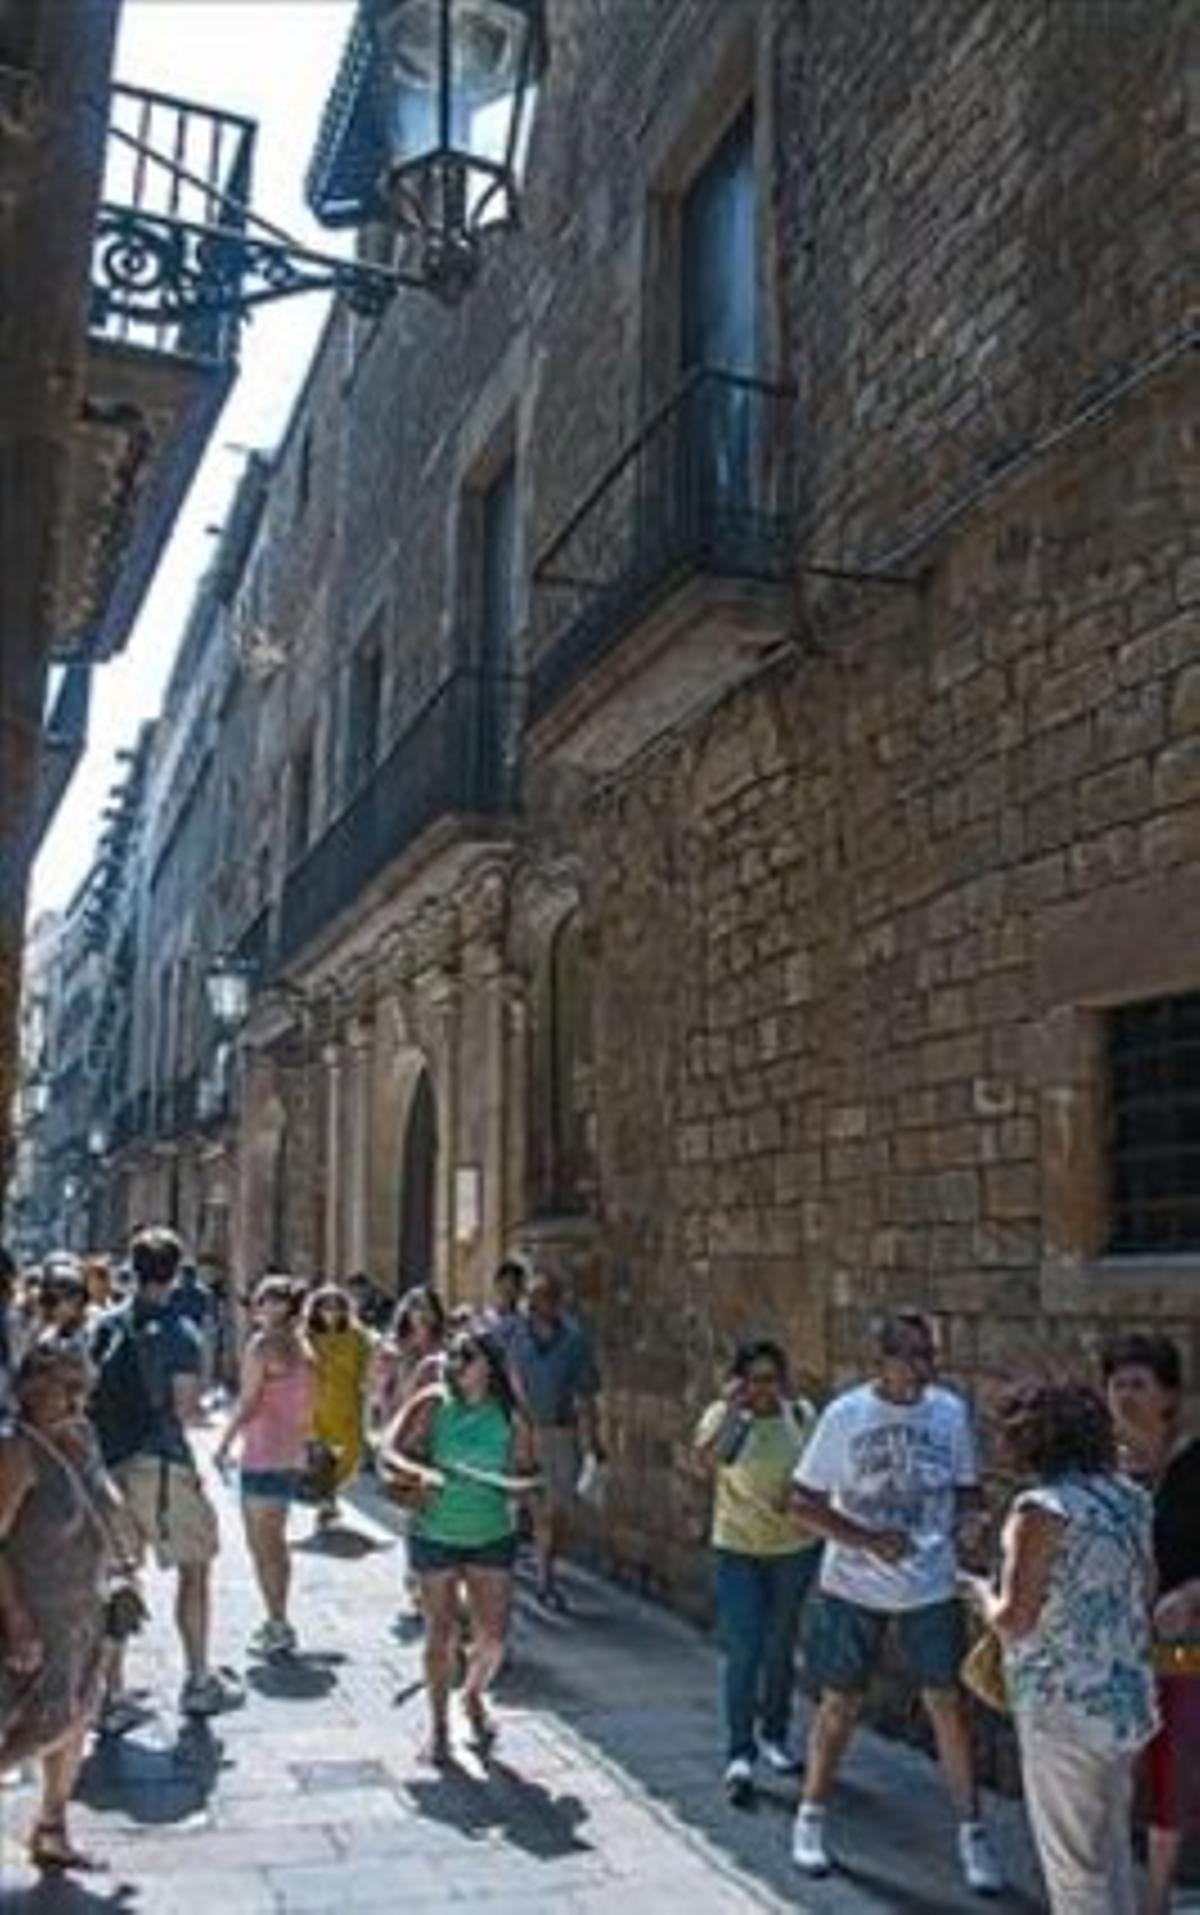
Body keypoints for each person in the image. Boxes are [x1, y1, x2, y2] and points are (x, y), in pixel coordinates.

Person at [789, 1310, 1001, 1894]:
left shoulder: (949, 1412)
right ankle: (810, 1816)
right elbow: (801, 1501)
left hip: (929, 1581)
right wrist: (866, 1539)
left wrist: (972, 1523)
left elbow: (967, 1489)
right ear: (881, 1361)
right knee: (840, 1705)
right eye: (911, 1356)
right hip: (853, 1583)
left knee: (948, 1706)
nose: (923, 1369)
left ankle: (972, 1833)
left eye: (930, 1356)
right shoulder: (846, 1416)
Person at [963, 1382, 1156, 1914]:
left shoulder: (1040, 1510)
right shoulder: (1130, 1499)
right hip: (1125, 1700)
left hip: (1061, 1707)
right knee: (1112, 1849)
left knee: (1073, 1870)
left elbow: (1016, 1618)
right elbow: (1146, 1590)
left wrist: (981, 1594)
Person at [89, 1226, 233, 1717]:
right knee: (195, 1567)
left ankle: (110, 1693)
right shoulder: (179, 1331)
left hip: (109, 1468)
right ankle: (196, 1679)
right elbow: (187, 1409)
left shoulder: (104, 1325)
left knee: (118, 1578)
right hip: (163, 1463)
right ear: (176, 1271)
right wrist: (210, 1419)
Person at [0, 1339, 132, 1871]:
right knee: (26, 1725)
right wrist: (16, 1618)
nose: (79, 1400)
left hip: (83, 1607)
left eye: (85, 1388)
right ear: (31, 1388)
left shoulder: (82, 1436)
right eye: (67, 1388)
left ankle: (51, 1828)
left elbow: (105, 1505)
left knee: (74, 1716)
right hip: (34, 1610)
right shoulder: (15, 1449)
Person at [383, 1325, 537, 1764]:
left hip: (492, 1534)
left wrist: (519, 1489)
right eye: (452, 1356)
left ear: (489, 1365)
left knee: (492, 1639)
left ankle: (472, 1694)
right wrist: (417, 1477)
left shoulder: (511, 1415)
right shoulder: (432, 1402)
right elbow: (391, 1451)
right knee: (441, 1633)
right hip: (435, 1532)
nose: (455, 1365)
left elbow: (527, 1472)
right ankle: (438, 1729)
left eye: (466, 1357)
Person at [694, 1339, 821, 1804]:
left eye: (771, 1379)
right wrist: (735, 1412)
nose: (763, 1389)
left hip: (794, 1548)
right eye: (753, 1380)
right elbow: (710, 1461)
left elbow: (821, 1471)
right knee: (744, 1647)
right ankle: (739, 1750)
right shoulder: (725, 1417)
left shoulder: (802, 1416)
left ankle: (775, 1733)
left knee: (781, 1645)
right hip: (739, 1548)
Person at [1102, 1332, 1200, 1914]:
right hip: (1110, 1651)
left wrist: (1191, 1593)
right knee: (1114, 1773)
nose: (1125, 1397)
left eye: (1139, 1384)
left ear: (1169, 1395)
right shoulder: (1098, 1473)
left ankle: (1156, 1899)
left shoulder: (1196, 1467)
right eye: (1117, 1385)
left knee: (1172, 1765)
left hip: (1183, 1647)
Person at [214, 1277, 316, 1657]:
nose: (259, 1310)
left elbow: (248, 1402)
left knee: (262, 1546)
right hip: (290, 1453)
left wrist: (224, 1444)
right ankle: (278, 1617)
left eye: (263, 1302)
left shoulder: (261, 1346)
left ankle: (277, 1623)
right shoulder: (304, 1348)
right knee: (277, 1542)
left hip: (261, 1452)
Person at [508, 1269, 603, 1612]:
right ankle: (543, 1576)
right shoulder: (514, 1336)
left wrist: (593, 1442)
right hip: (520, 1430)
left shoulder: (575, 1342)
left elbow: (586, 1393)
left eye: (545, 1301)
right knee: (532, 1505)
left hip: (560, 1433)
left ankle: (545, 1565)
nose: (537, 1308)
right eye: (533, 1301)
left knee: (558, 1510)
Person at [304, 1284, 374, 1527]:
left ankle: (329, 1494)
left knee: (351, 1458)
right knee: (323, 1457)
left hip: (349, 1404)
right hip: (317, 1404)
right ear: (316, 1310)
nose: (331, 1313)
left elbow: (371, 1364)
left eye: (337, 1307)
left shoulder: (357, 1336)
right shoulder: (308, 1337)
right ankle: (327, 1502)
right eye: (326, 1307)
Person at [483, 1257, 529, 1362]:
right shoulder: (485, 1319)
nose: (509, 1288)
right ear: (497, 1284)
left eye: (514, 1284)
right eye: (505, 1282)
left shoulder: (527, 1319)